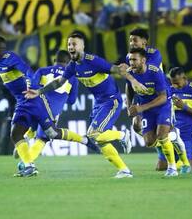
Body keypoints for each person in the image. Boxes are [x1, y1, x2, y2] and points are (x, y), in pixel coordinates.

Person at [25, 32, 134, 178]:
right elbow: (59, 82)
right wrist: (39, 91)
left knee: (94, 134)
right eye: (69, 44)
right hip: (98, 103)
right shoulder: (72, 66)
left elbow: (116, 69)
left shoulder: (93, 60)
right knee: (98, 140)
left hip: (111, 100)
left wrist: (134, 79)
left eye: (74, 44)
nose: (71, 47)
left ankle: (122, 134)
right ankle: (124, 170)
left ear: (82, 46)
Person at [0, 36, 94, 177]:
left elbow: (28, 70)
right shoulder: (0, 63)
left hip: (28, 100)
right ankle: (83, 140)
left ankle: (29, 161)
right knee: (50, 133)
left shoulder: (11, 57)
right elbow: (0, 69)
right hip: (31, 102)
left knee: (16, 133)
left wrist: (31, 84)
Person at [17, 50, 99, 163]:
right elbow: (72, 101)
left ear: (54, 60)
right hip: (52, 111)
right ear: (69, 63)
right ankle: (26, 163)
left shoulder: (42, 71)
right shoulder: (72, 78)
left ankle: (27, 137)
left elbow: (33, 86)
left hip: (34, 106)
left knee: (36, 124)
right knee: (43, 138)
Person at [125, 27, 190, 171]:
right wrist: (130, 106)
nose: (132, 43)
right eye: (130, 40)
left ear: (144, 42)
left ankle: (176, 161)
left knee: (162, 135)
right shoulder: (131, 58)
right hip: (144, 100)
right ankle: (168, 140)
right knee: (141, 131)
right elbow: (129, 85)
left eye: (135, 40)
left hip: (161, 97)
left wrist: (129, 74)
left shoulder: (153, 55)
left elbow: (144, 72)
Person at [125, 48, 178, 177]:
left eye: (134, 60)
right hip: (146, 108)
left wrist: (141, 109)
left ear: (143, 60)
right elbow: (129, 89)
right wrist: (130, 105)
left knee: (161, 135)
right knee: (149, 142)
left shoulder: (155, 72)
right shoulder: (130, 73)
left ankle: (172, 168)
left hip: (162, 106)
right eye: (130, 59)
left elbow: (163, 97)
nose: (131, 62)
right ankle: (171, 138)